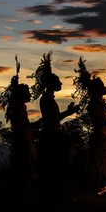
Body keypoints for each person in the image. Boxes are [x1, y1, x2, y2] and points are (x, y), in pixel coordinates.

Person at [32, 51, 79, 201]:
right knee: (55, 169)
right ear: (51, 84)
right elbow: (53, 119)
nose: (60, 84)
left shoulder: (48, 98)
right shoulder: (46, 99)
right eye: (58, 82)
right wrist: (69, 111)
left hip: (54, 136)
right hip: (52, 137)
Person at [1, 64, 38, 202]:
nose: (30, 94)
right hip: (22, 146)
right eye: (27, 92)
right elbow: (21, 127)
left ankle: (21, 199)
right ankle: (20, 200)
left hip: (25, 145)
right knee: (25, 175)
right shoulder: (17, 110)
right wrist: (36, 124)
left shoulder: (20, 109)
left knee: (26, 174)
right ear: (20, 95)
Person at [85, 75, 106, 196]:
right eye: (101, 87)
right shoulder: (93, 106)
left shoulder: (101, 104)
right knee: (100, 167)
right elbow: (98, 122)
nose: (104, 88)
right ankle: (94, 192)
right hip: (101, 139)